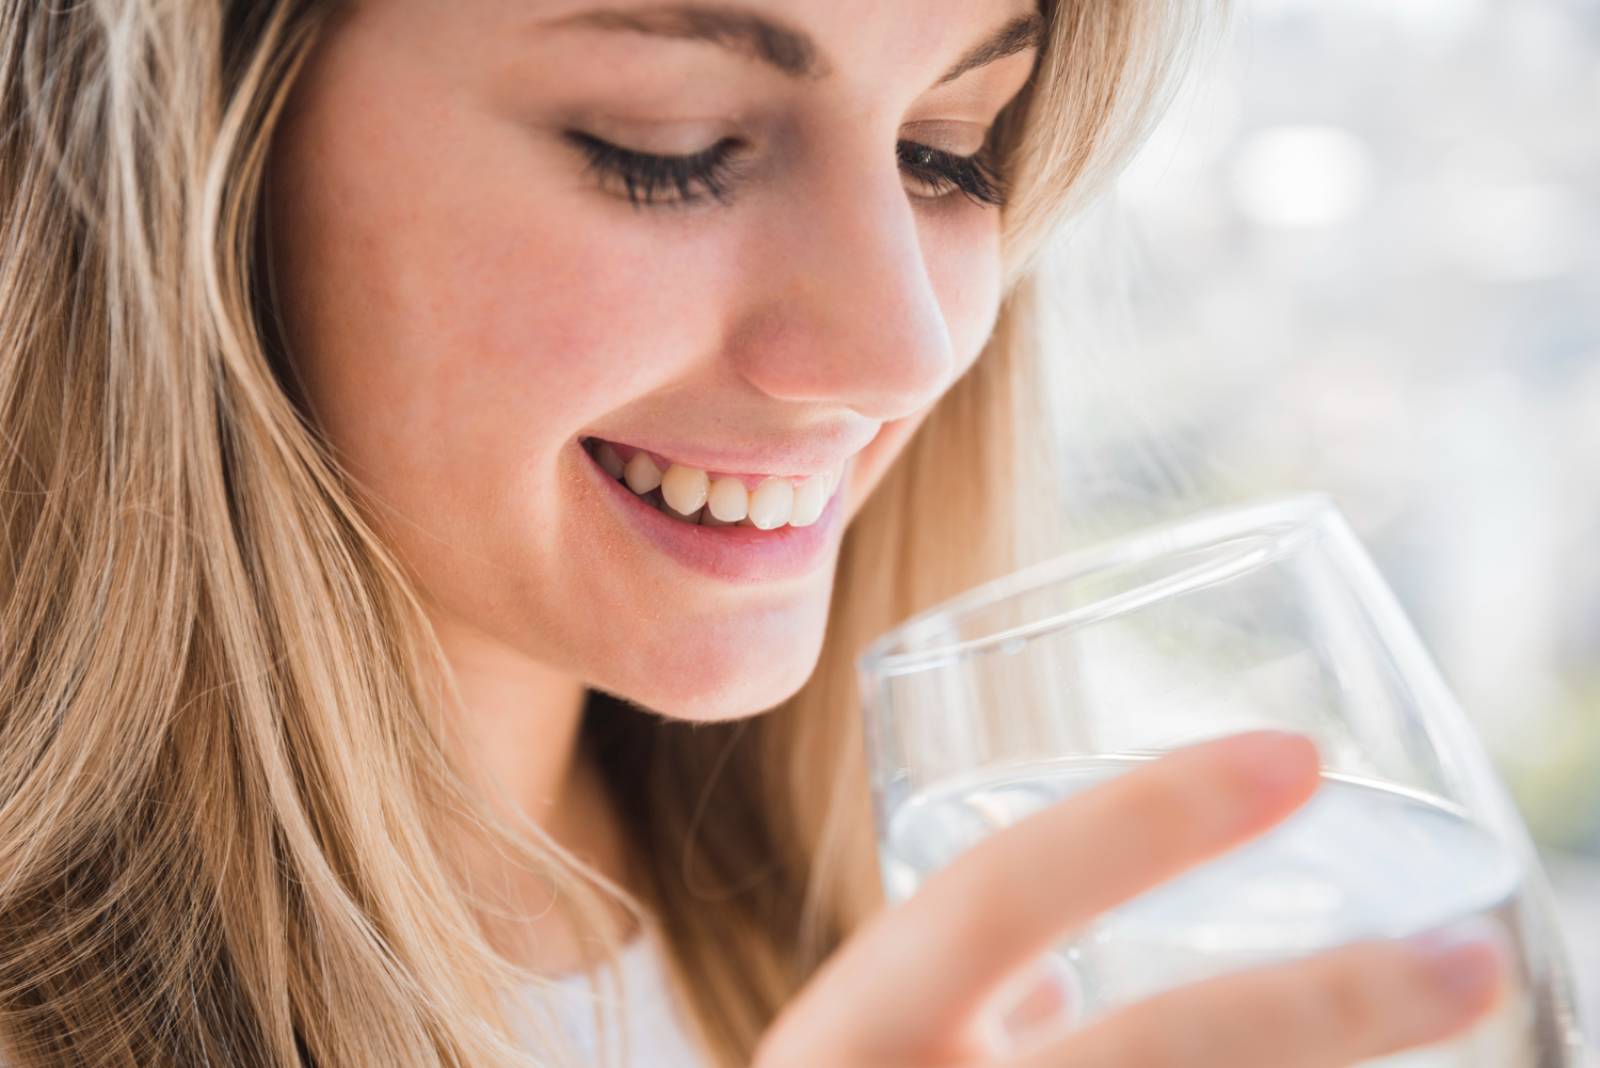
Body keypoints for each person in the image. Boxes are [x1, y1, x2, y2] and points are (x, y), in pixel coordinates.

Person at [0, 0, 1508, 1065]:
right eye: (676, 143)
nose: (903, 348)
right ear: (198, 149)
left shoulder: (959, 948)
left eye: (949, 149)